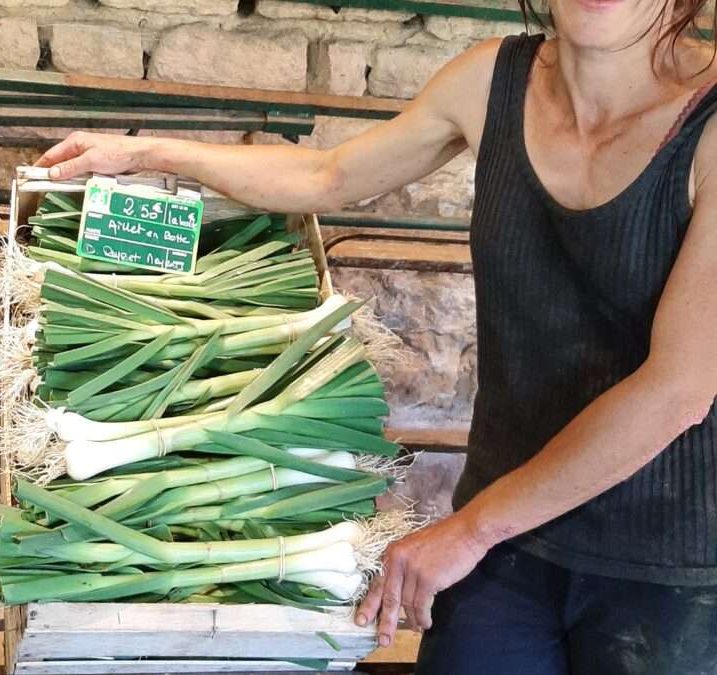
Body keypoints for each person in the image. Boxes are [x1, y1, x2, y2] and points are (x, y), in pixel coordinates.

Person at [35, 0, 717, 671]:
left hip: (666, 569)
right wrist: (145, 153)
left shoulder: (709, 129)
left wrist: (470, 530)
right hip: (508, 549)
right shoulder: (492, 82)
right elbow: (329, 175)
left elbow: (677, 388)